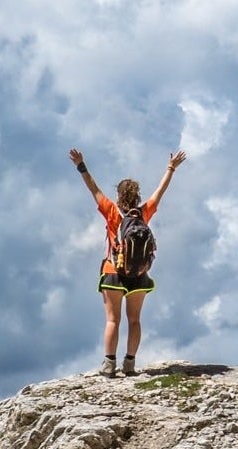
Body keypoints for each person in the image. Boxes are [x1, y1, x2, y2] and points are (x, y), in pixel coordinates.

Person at [69, 148, 186, 377]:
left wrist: (81, 165)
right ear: (137, 196)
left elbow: (93, 188)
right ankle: (130, 364)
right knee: (135, 320)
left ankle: (109, 365)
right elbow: (160, 191)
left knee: (113, 320)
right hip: (139, 274)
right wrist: (171, 168)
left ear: (119, 196)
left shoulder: (111, 211)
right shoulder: (144, 213)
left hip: (113, 271)